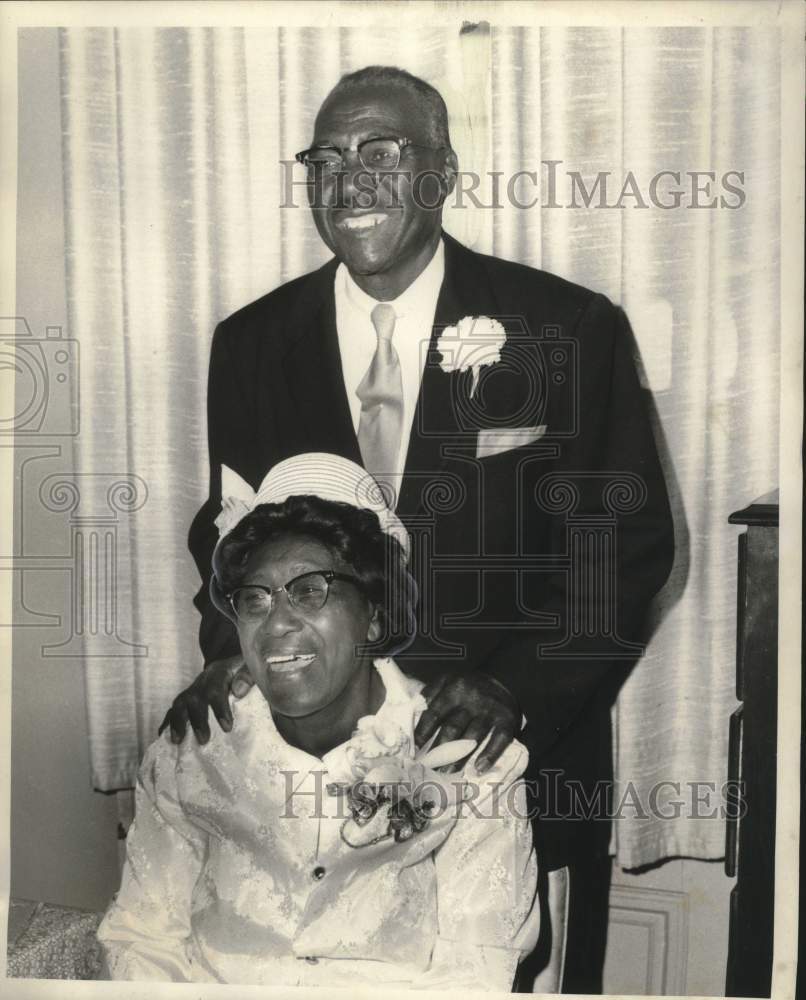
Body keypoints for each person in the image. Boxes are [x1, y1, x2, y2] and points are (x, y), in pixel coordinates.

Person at [165, 65, 674, 990]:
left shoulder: (566, 326)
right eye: (326, 158)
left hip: (516, 773)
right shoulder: (250, 343)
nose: (348, 181)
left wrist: (512, 691)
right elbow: (228, 535)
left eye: (382, 153)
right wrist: (230, 649)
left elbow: (625, 552)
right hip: (307, 799)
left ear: (440, 173)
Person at [98, 454, 539, 988]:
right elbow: (144, 939)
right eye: (254, 600)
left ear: (374, 614)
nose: (277, 621)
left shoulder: (470, 764)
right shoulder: (190, 749)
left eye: (310, 590)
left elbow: (473, 971)